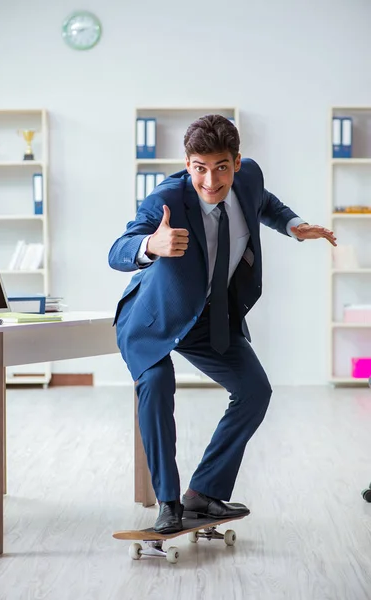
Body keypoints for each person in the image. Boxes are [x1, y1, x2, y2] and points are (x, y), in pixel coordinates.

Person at [108, 114, 337, 534]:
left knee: (254, 391)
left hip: (209, 316)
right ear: (187, 162)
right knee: (157, 386)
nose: (210, 181)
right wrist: (150, 245)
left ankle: (204, 493)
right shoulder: (167, 198)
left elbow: (263, 202)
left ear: (237, 162)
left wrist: (294, 226)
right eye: (199, 168)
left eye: (221, 167)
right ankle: (169, 503)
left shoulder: (248, 178)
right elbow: (117, 250)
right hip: (153, 319)